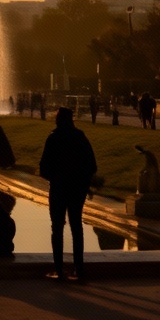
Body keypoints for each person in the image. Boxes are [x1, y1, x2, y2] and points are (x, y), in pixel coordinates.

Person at [39, 106, 97, 282]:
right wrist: (83, 182)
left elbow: (44, 168)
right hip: (76, 189)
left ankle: (59, 270)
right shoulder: (80, 137)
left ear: (58, 120)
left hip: (59, 188)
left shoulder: (54, 138)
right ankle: (79, 270)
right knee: (76, 227)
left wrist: (56, 177)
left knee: (57, 228)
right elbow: (92, 165)